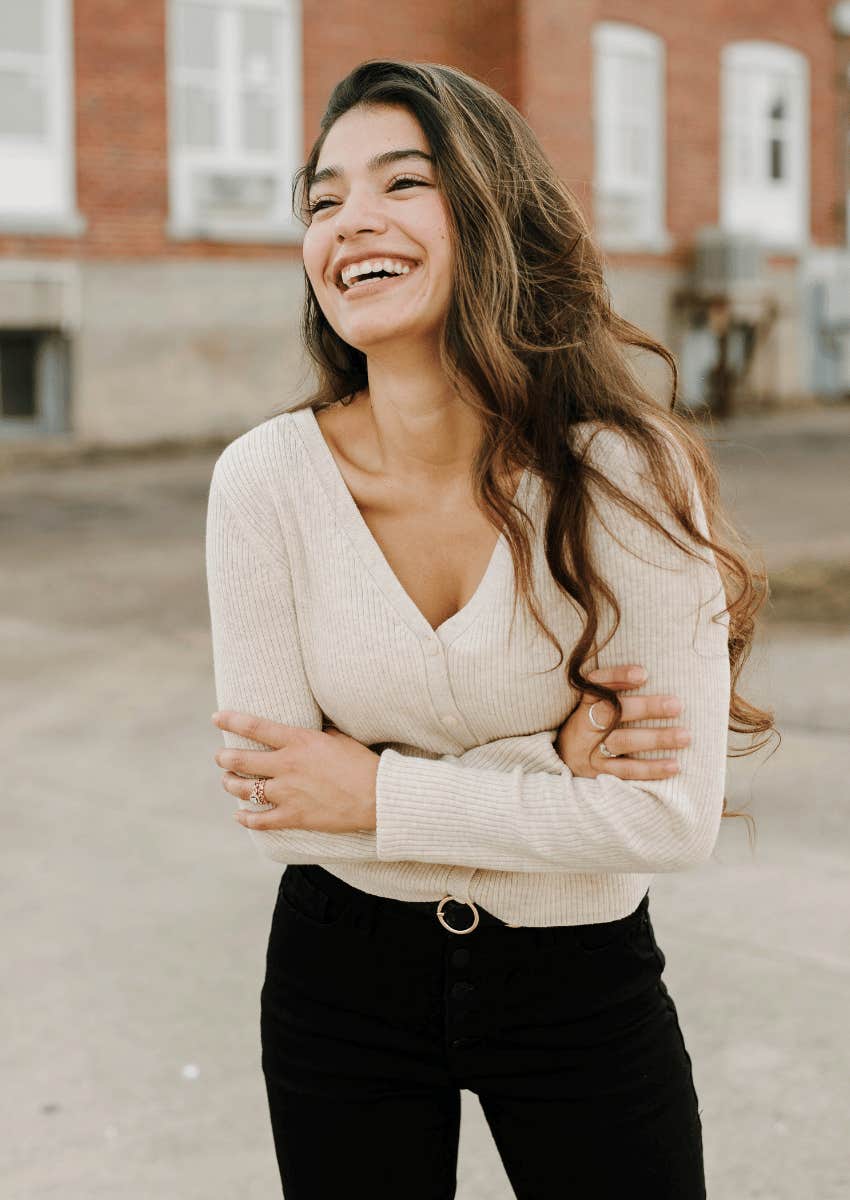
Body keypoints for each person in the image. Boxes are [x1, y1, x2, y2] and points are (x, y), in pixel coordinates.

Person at [205, 60, 772, 1200]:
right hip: (339, 975)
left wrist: (374, 794)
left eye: (400, 183)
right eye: (322, 200)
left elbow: (667, 819)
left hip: (580, 986)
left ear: (492, 212)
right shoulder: (265, 481)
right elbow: (280, 812)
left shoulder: (627, 473)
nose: (349, 219)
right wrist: (545, 771)